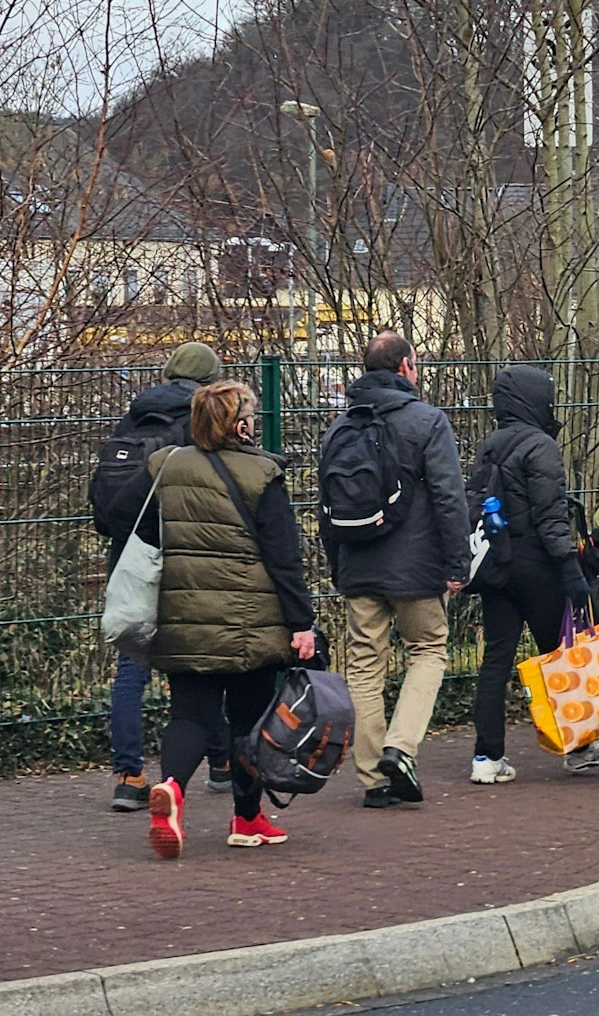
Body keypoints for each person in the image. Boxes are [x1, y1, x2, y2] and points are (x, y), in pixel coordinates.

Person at [105, 381, 316, 859]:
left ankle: (173, 789)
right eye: (250, 415)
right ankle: (246, 819)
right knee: (249, 721)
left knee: (190, 717)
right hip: (250, 622)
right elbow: (284, 557)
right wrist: (301, 621)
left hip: (182, 617)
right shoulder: (263, 473)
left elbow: (118, 515)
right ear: (238, 423)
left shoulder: (166, 466)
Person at [322, 332, 470, 808]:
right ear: (406, 366)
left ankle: (373, 782)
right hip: (416, 565)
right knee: (429, 649)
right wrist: (457, 563)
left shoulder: (338, 426)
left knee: (365, 666)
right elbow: (449, 496)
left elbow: (325, 504)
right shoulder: (427, 421)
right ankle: (400, 749)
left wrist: (337, 567)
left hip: (357, 563)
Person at [466, 365, 599, 782]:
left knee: (496, 660)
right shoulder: (539, 445)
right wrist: (569, 567)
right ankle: (582, 745)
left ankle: (486, 759)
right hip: (537, 567)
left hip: (496, 566)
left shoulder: (489, 447)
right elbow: (550, 515)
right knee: (563, 654)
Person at [91, 342, 234, 813]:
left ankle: (128, 775)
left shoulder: (132, 419)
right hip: (179, 558)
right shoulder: (197, 422)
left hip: (129, 561)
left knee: (131, 670)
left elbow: (104, 507)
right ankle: (218, 764)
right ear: (210, 382)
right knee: (196, 662)